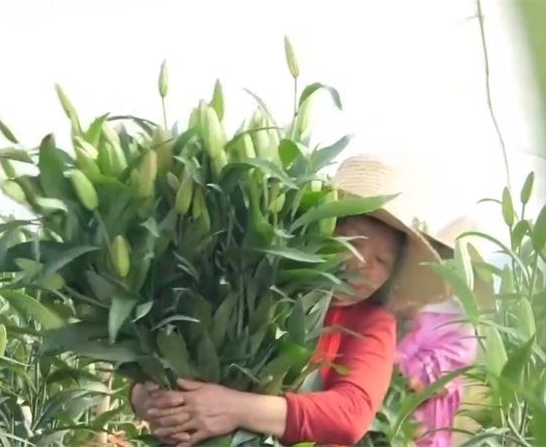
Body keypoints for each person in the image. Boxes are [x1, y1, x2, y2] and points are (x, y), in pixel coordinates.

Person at [128, 154, 451, 446]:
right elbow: (163, 352)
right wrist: (147, 398)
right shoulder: (254, 285)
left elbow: (351, 413)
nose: (360, 264)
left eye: (382, 260)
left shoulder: (370, 323)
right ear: (320, 229)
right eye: (351, 241)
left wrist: (234, 408)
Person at [397, 216, 489, 447]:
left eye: (458, 265)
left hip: (422, 429)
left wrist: (388, 366)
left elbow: (428, 381)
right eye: (445, 259)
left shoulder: (462, 327)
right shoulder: (407, 304)